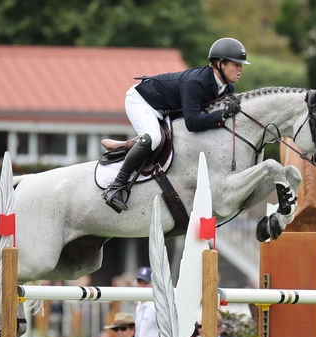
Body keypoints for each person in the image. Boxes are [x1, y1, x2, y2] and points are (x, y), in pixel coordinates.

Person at [103, 37, 250, 212]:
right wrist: (224, 113)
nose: (240, 68)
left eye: (241, 65)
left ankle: (130, 146)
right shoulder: (196, 82)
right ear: (219, 64)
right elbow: (193, 122)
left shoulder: (227, 88)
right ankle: (115, 187)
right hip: (143, 101)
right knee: (155, 138)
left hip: (168, 110)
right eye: (236, 64)